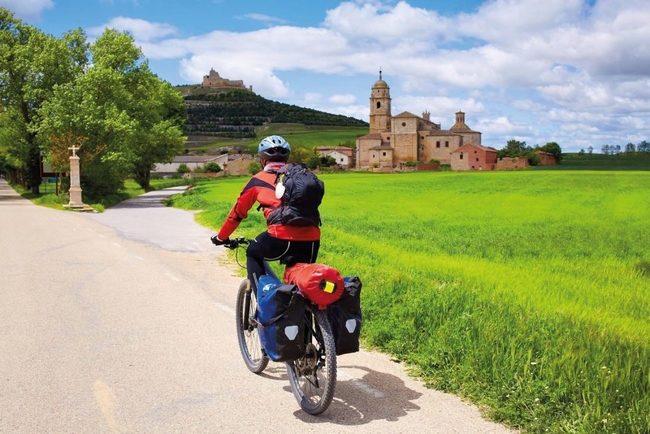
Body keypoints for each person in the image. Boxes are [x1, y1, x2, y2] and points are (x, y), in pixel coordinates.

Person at [211, 135, 320, 294]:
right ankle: (306, 315)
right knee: (303, 285)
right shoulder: (301, 177)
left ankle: (260, 302)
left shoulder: (257, 180)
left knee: (253, 252)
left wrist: (221, 237)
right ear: (286, 158)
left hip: (278, 238)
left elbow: (237, 214)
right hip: (311, 240)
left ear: (262, 160)